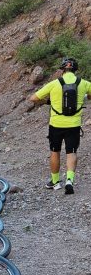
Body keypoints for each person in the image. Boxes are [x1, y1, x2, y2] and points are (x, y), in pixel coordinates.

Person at [29, 57, 91, 194]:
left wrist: (47, 102)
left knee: (55, 152)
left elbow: (33, 98)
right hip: (74, 125)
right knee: (72, 152)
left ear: (62, 70)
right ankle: (69, 180)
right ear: (75, 70)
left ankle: (55, 182)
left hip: (56, 125)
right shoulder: (84, 83)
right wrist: (86, 97)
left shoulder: (54, 83)